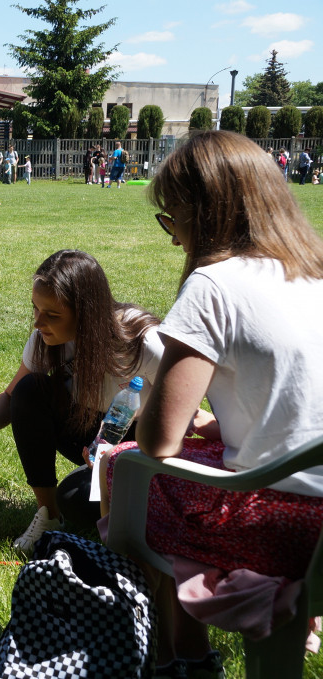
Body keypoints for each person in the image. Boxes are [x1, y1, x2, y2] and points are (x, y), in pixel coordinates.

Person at [100, 130, 323, 678]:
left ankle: (179, 655)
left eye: (173, 217)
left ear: (205, 212)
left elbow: (160, 440)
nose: (174, 238)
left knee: (124, 467)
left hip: (282, 517)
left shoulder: (213, 284)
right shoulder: (315, 271)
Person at [0, 250, 163, 556]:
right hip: (87, 435)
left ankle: (137, 500)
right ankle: (48, 515)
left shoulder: (141, 341)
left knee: (75, 499)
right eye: (36, 309)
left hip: (135, 442)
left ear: (86, 313)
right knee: (29, 388)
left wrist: (122, 452)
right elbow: (12, 396)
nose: (38, 322)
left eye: (52, 314)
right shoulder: (45, 339)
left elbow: (180, 414)